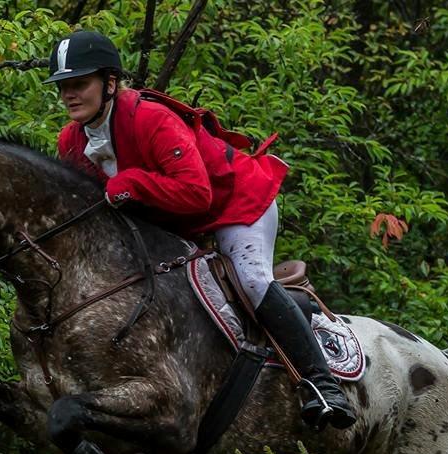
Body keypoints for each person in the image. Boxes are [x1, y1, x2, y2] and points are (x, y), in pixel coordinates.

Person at [46, 30, 356, 433]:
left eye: (79, 84)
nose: (69, 94)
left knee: (251, 279)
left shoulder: (148, 117)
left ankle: (321, 383)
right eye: (63, 87)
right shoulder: (70, 141)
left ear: (108, 83)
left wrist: (135, 183)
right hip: (174, 224)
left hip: (236, 204)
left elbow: (196, 194)